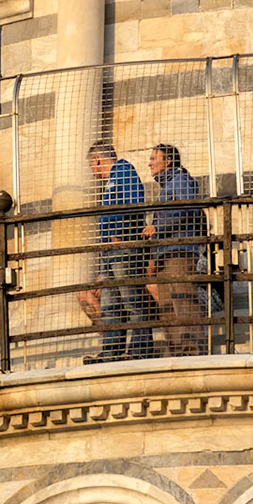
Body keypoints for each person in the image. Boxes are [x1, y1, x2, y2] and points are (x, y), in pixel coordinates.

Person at [83, 140, 153, 362]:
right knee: (110, 303)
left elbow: (135, 203)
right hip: (110, 252)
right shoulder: (112, 181)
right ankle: (111, 350)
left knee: (131, 298)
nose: (92, 171)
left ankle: (140, 349)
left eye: (91, 166)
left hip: (123, 248)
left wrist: (121, 234)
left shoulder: (124, 170)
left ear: (97, 160)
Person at [141, 143, 207, 356]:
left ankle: (193, 350)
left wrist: (157, 227)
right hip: (165, 253)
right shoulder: (168, 186)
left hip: (179, 251)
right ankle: (178, 352)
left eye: (154, 158)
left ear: (167, 161)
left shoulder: (180, 181)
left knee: (183, 299)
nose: (150, 163)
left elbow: (186, 209)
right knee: (168, 306)